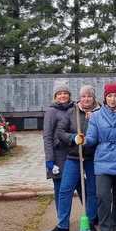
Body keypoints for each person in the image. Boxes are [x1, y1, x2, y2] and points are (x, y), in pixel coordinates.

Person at [45, 85, 100, 231]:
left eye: (89, 96)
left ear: (94, 98)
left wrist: (93, 122)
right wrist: (73, 138)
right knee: (65, 190)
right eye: (83, 96)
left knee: (92, 191)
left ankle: (90, 221)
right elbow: (60, 132)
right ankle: (63, 225)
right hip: (73, 157)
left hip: (92, 157)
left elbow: (104, 133)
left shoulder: (99, 112)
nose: (86, 99)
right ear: (79, 98)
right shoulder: (72, 111)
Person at [83, 83, 116, 231]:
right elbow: (92, 137)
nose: (113, 99)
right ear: (105, 97)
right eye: (110, 96)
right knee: (102, 197)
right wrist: (85, 140)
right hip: (102, 160)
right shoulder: (96, 116)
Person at [43, 79, 78, 214]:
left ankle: (92, 217)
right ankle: (62, 217)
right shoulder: (52, 112)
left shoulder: (73, 109)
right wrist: (49, 159)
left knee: (80, 186)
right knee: (60, 188)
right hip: (58, 156)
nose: (63, 96)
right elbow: (47, 136)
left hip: (72, 153)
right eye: (59, 93)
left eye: (65, 93)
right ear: (55, 96)